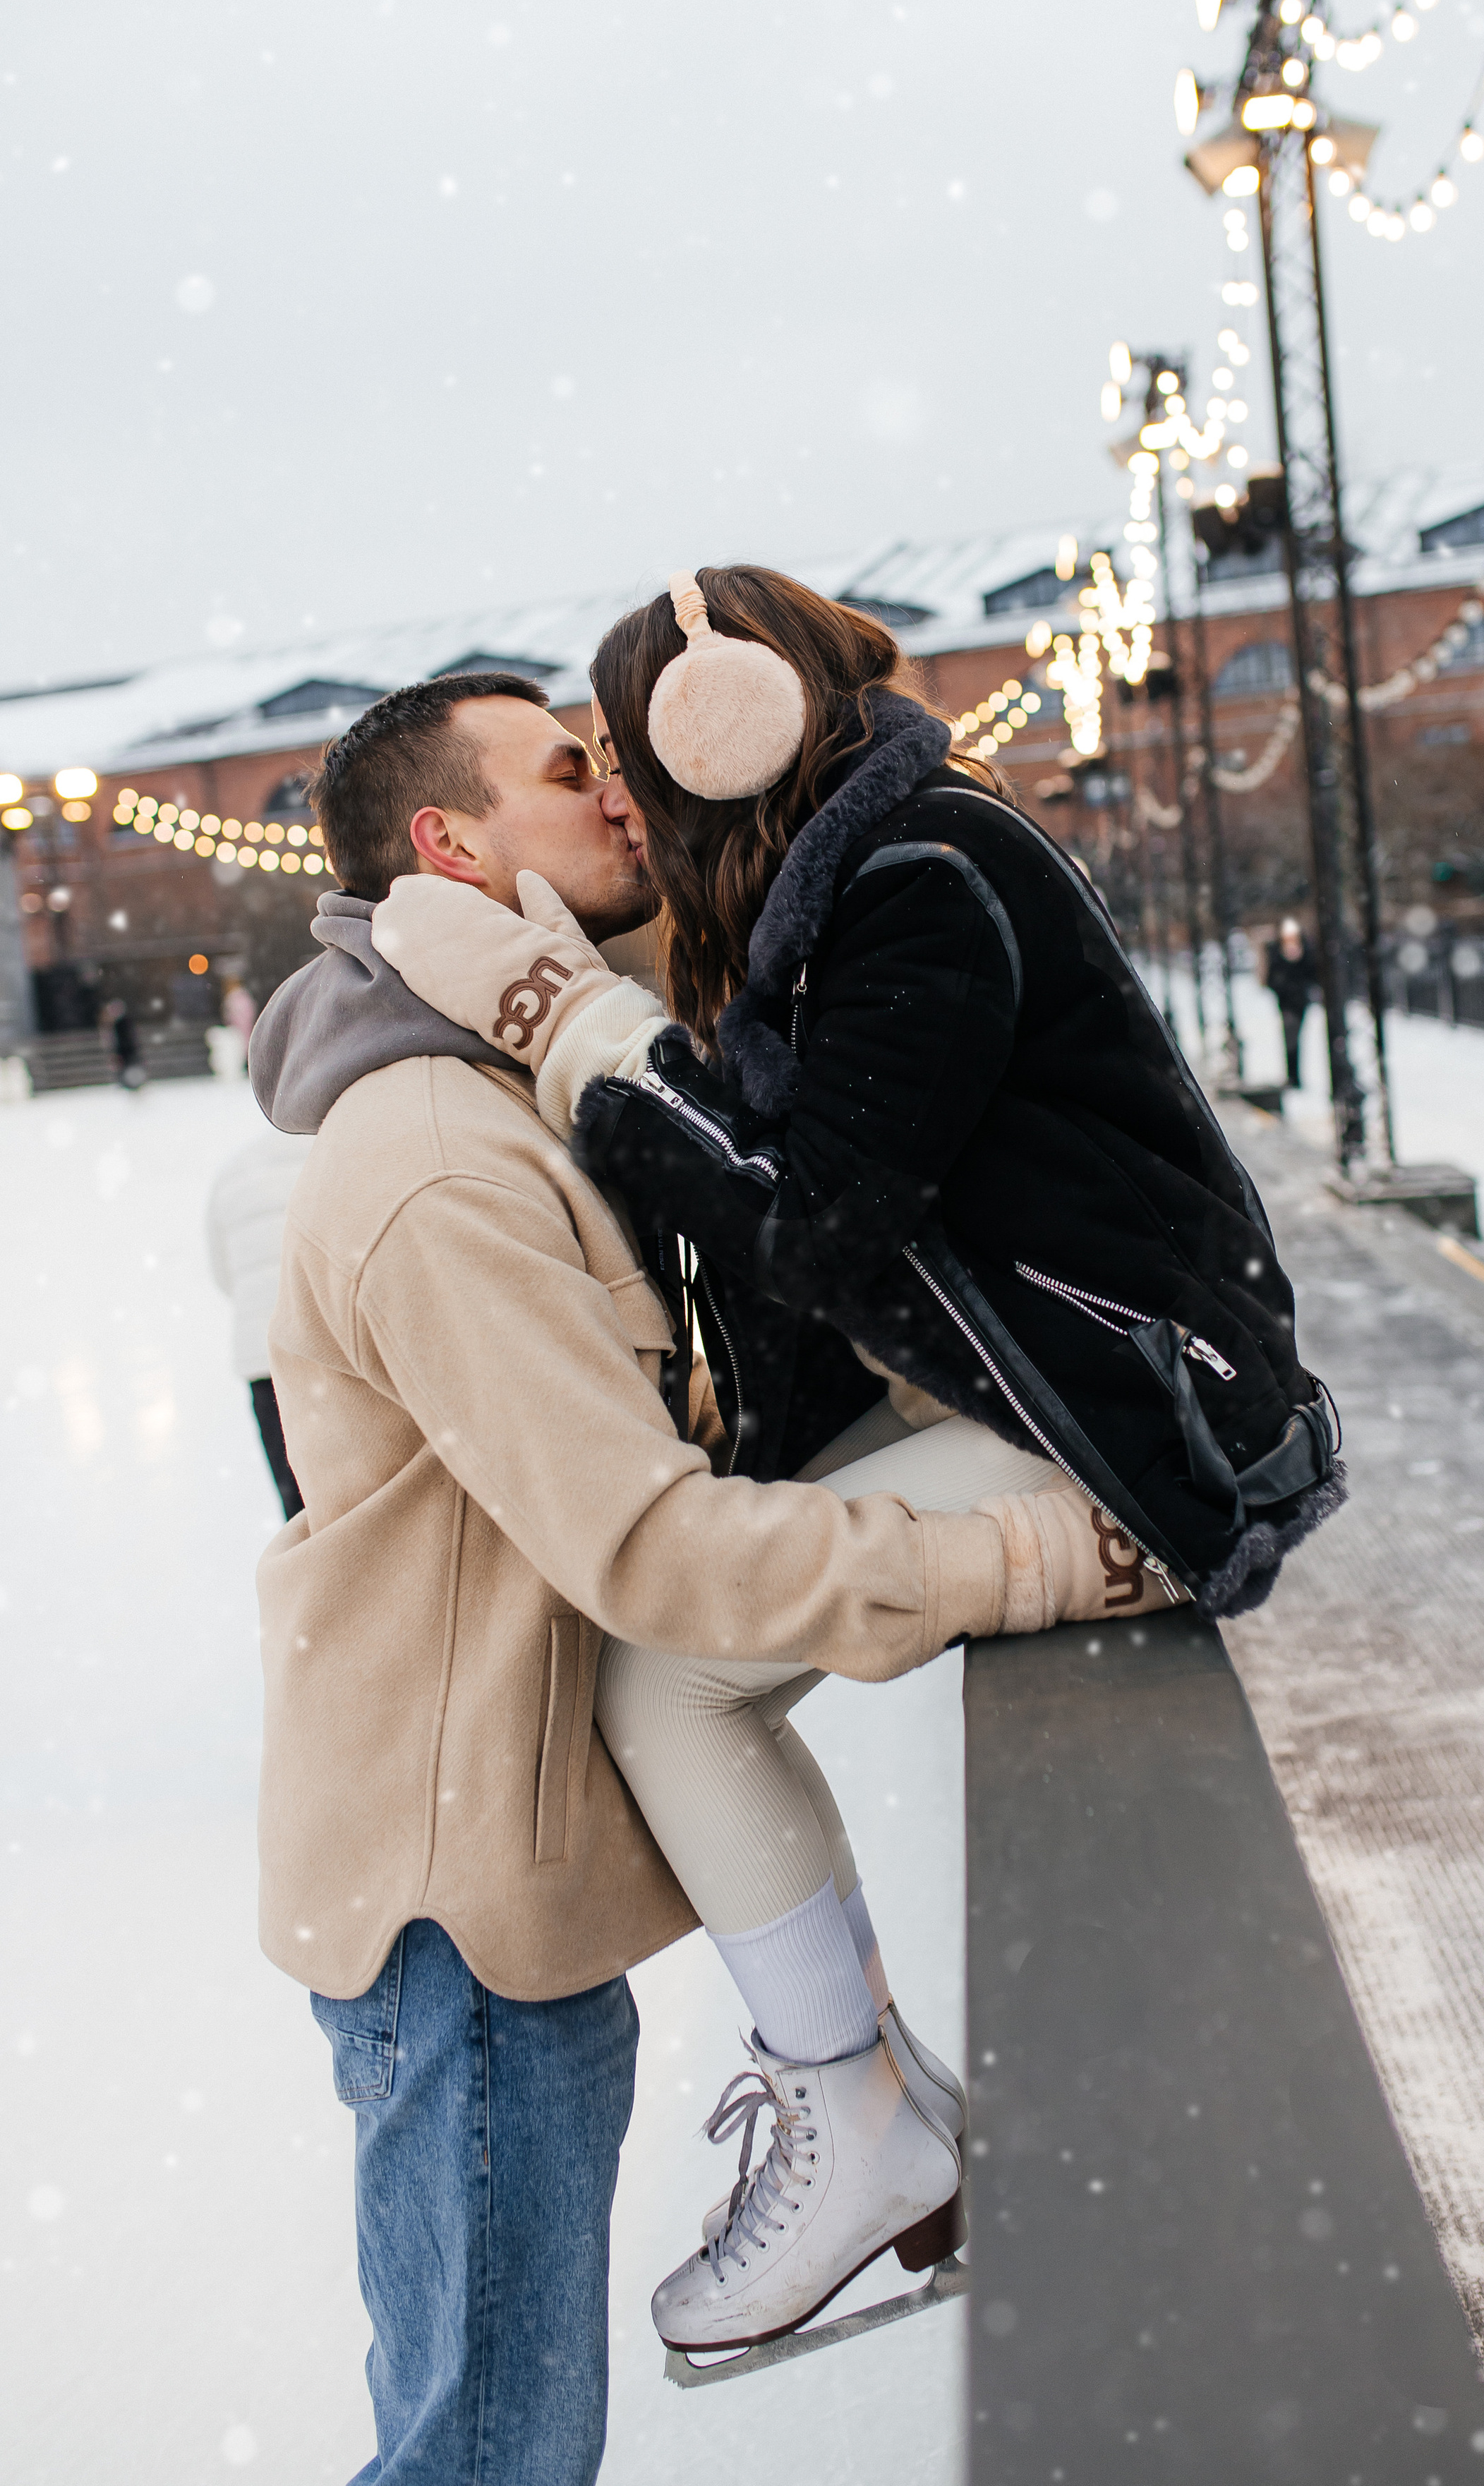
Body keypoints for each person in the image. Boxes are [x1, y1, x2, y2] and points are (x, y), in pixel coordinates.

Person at [375, 567, 1345, 2354]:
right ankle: (867, 2091)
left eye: (621, 757)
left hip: (1150, 1427)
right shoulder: (872, 872)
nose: (620, 800)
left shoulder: (919, 882)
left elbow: (811, 1220)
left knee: (666, 1675)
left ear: (719, 733)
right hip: (1080, 1392)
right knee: (687, 1646)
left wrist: (572, 1031)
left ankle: (855, 2115)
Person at [247, 669, 1118, 2479]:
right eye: (568, 768)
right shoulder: (438, 1161)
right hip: (454, 1908)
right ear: (450, 847)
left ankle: (866, 2103)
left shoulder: (518, 1093)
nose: (620, 794)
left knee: (486, 2439)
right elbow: (651, 1545)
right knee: (488, 2455)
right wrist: (1017, 1552)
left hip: (495, 1862)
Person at [205, 1126, 315, 1516]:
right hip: (327, 1348)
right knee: (357, 1496)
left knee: (297, 1504)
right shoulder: (332, 1152)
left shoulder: (232, 1172)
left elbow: (223, 1275)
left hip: (263, 1357)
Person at [1264, 915, 1319, 1092]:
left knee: (1295, 1038)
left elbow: (1313, 975)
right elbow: (1271, 980)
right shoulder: (1276, 953)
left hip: (1299, 1002)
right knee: (1291, 1038)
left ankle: (1294, 1076)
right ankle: (1293, 1076)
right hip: (1287, 1003)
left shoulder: (1306, 952)